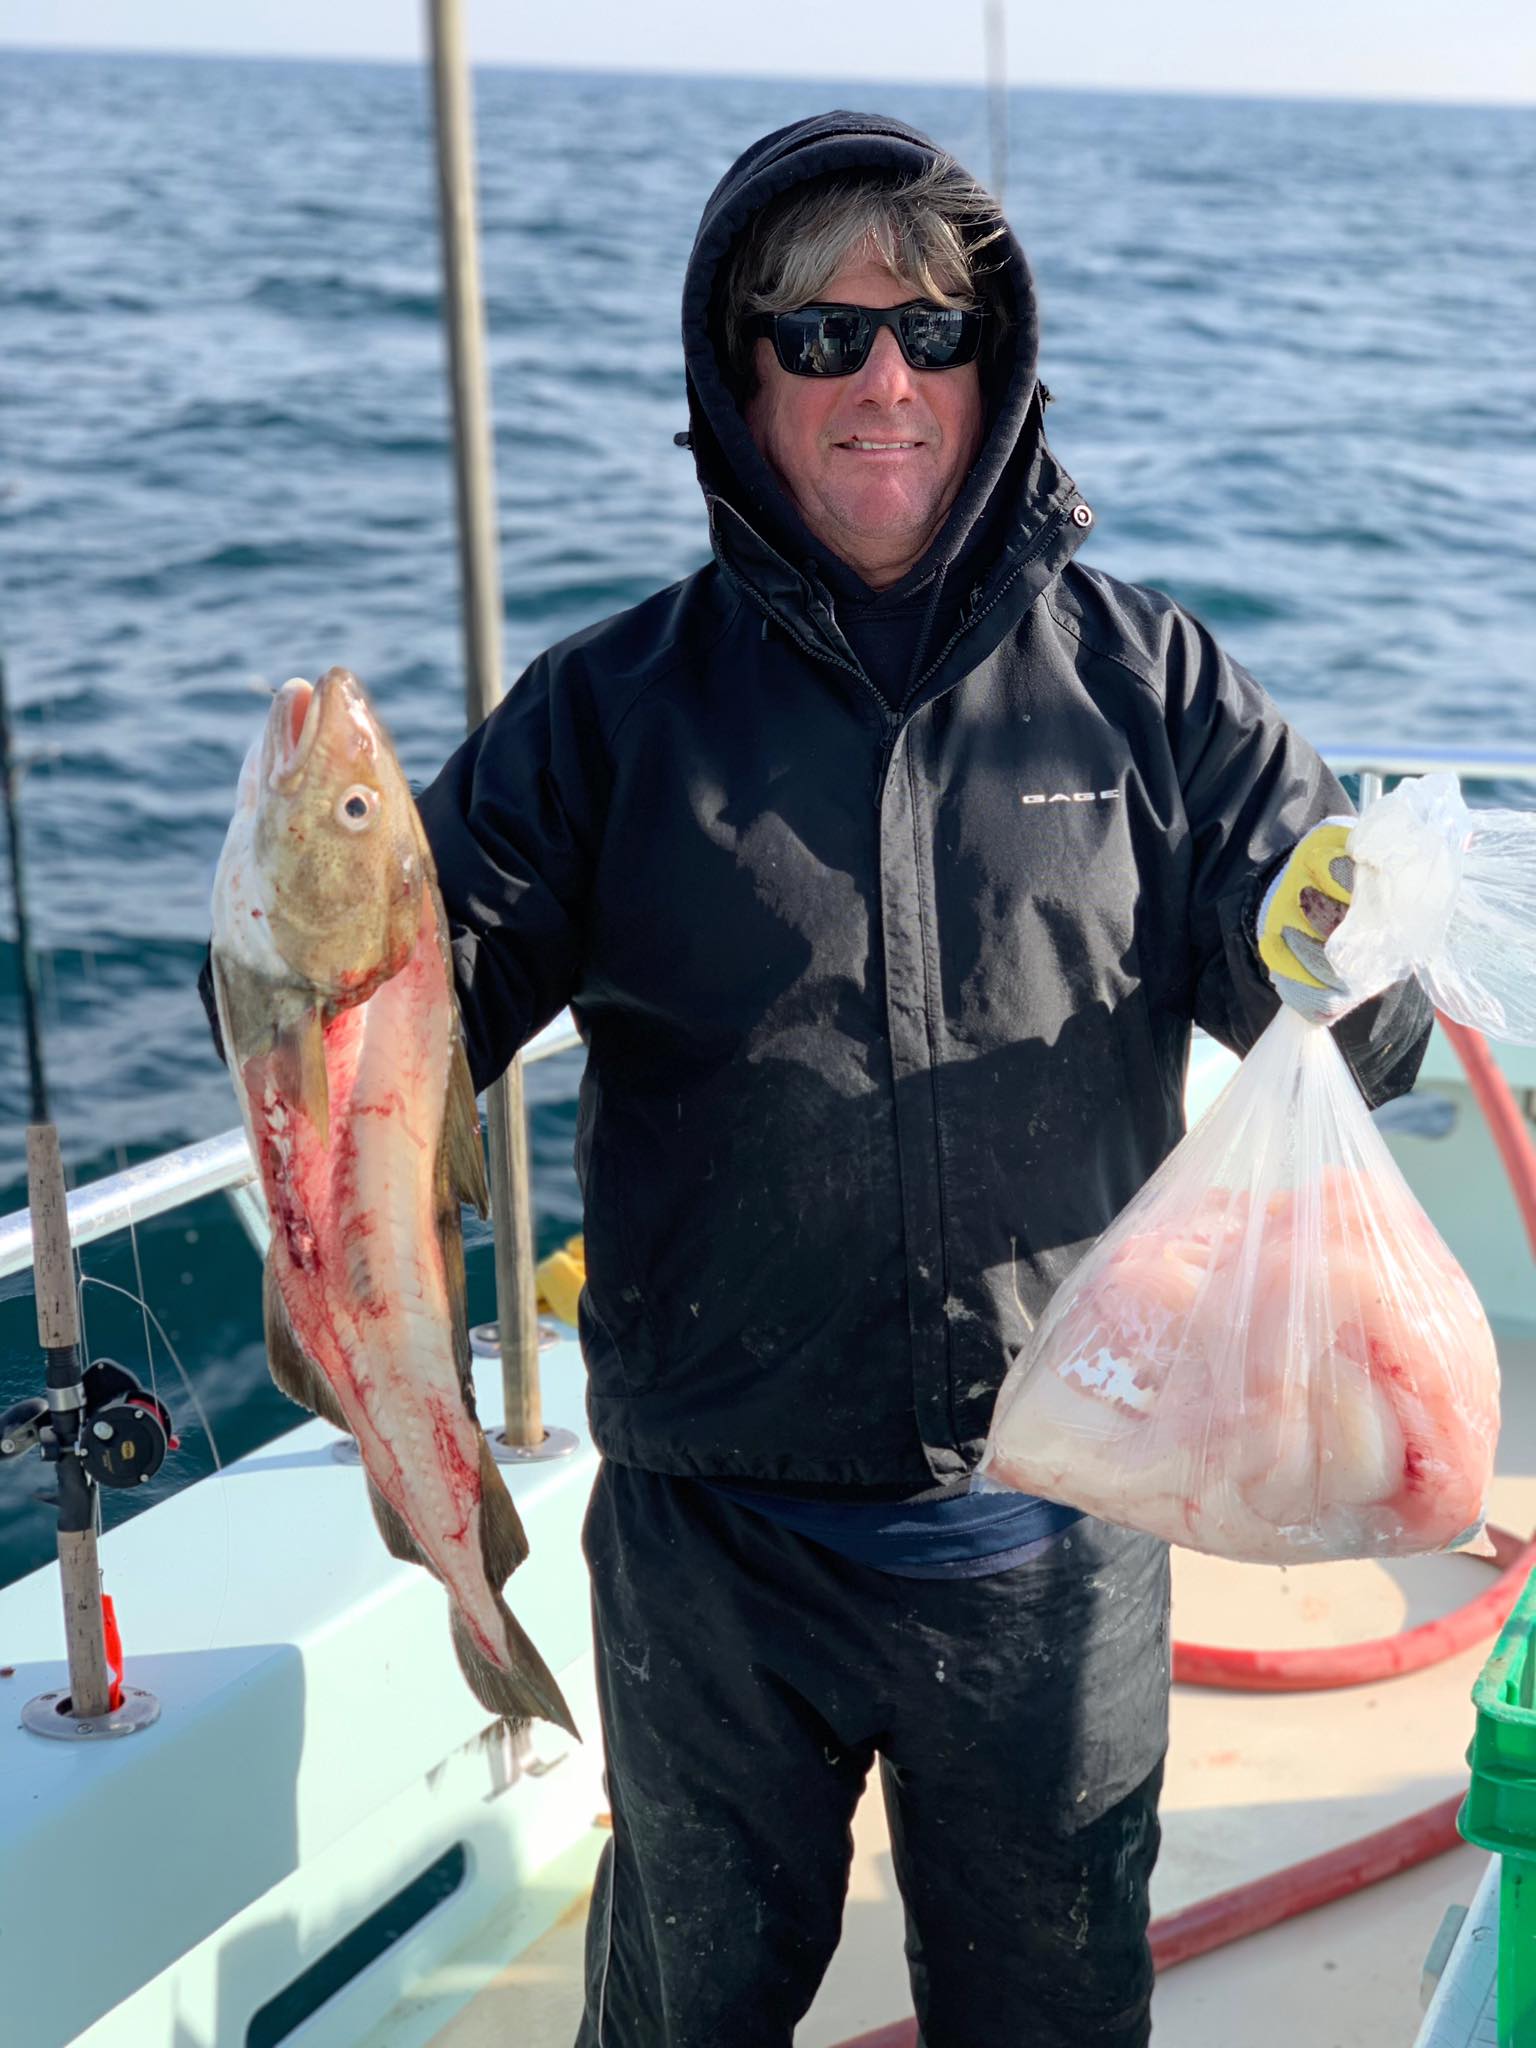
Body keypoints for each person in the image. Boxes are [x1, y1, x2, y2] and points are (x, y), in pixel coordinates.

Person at [289, 114, 1436, 2044]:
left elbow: (1363, 1028)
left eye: (930, 327)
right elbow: (411, 1020)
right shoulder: (603, 713)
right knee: (682, 2010)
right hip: (712, 1549)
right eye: (818, 339)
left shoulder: (1150, 687)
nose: (882, 379)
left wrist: (1361, 934)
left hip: (1054, 1530)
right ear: (742, 381)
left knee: (1055, 2012)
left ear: (999, 363)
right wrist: (308, 957)